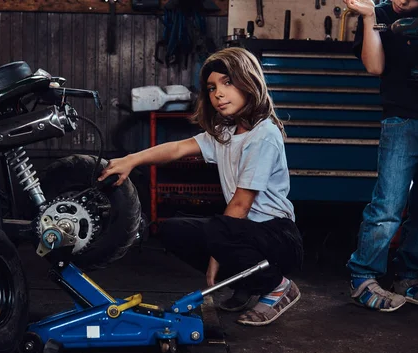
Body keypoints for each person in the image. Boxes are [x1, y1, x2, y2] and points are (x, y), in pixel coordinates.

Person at [98, 48, 304, 326]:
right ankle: (247, 284)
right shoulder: (226, 133)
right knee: (173, 230)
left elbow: (242, 203)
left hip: (279, 237)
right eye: (211, 87)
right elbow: (178, 148)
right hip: (245, 232)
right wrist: (131, 161)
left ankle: (279, 287)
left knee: (219, 230)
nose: (218, 93)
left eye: (227, 82)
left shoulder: (263, 134)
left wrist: (216, 256)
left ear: (249, 81)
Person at [345, 0, 418, 311]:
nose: (403, 0)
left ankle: (409, 277)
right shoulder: (382, 12)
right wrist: (370, 15)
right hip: (401, 121)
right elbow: (375, 66)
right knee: (388, 206)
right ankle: (363, 277)